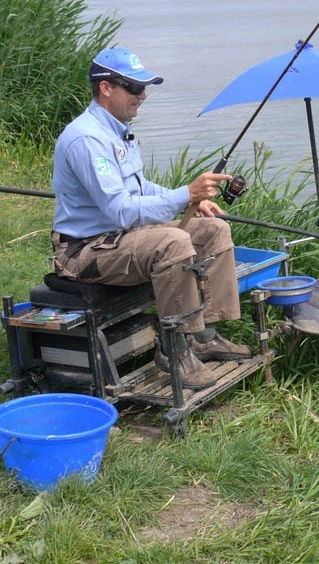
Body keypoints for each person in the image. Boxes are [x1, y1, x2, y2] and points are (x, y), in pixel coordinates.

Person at [51, 47, 251, 390]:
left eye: (144, 88)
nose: (142, 95)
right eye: (133, 87)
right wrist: (185, 195)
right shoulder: (87, 138)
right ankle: (174, 350)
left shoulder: (119, 131)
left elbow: (140, 188)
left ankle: (203, 336)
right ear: (105, 88)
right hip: (83, 253)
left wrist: (190, 200)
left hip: (121, 237)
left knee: (214, 230)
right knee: (173, 242)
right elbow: (120, 209)